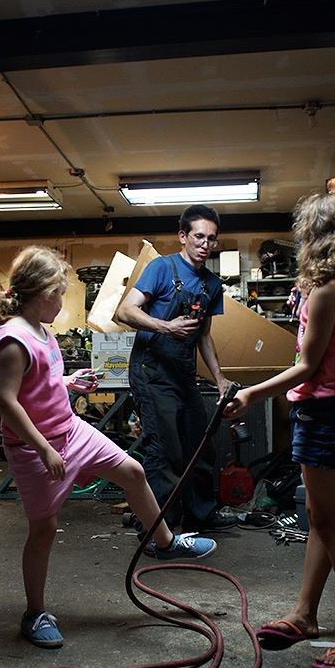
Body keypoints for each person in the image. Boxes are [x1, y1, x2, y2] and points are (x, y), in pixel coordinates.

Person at [0, 246, 216, 650]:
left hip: (71, 431)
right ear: (40, 292)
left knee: (132, 471)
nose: (63, 301)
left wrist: (68, 383)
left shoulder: (41, 329)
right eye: (59, 293)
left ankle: (163, 543)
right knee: (44, 530)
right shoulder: (14, 340)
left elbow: (37, 384)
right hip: (36, 447)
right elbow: (7, 401)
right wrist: (43, 449)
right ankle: (34, 613)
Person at [223, 192, 335, 668]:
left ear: (316, 237)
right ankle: (306, 614)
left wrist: (251, 394)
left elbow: (307, 367)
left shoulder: (326, 293)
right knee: (320, 517)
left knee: (333, 525)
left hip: (324, 412)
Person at [114, 204, 237, 533]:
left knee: (201, 446)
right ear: (183, 237)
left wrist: (220, 378)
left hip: (183, 375)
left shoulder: (212, 284)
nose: (205, 244)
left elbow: (204, 336)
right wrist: (165, 327)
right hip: (151, 372)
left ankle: (201, 515)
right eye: (198, 236)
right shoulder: (162, 269)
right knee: (166, 452)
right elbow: (125, 311)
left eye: (211, 239)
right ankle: (159, 532)